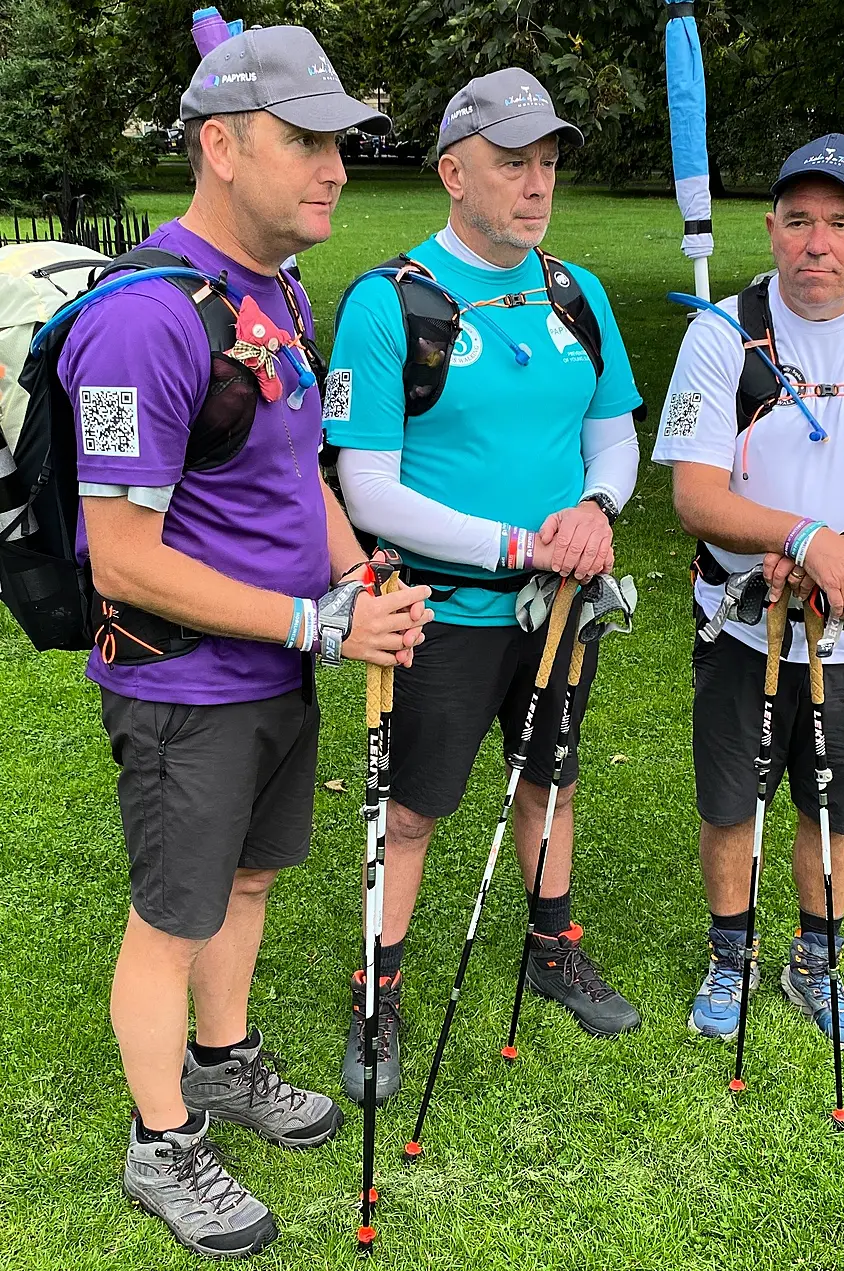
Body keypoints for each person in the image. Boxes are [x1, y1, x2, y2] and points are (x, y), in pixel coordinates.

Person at [59, 26, 431, 1260]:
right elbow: (119, 555)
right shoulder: (139, 324)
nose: (335, 167)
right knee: (171, 916)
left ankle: (222, 1064)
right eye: (306, 141)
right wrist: (312, 619)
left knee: (252, 878)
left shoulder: (275, 289)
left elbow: (294, 469)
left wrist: (352, 576)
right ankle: (161, 1141)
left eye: (340, 141)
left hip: (280, 662)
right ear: (219, 147)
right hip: (187, 684)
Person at [326, 68, 645, 1104]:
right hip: (442, 606)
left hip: (557, 605)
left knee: (548, 775)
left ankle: (551, 948)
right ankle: (378, 1001)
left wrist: (594, 508)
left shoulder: (574, 290)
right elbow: (364, 485)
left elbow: (612, 437)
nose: (536, 184)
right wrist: (518, 546)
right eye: (512, 163)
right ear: (452, 171)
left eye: (547, 163)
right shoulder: (388, 303)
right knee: (411, 808)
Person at [652, 133, 844, 1051]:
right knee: (731, 800)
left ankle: (814, 960)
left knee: (835, 804)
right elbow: (694, 495)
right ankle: (728, 954)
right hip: (746, 620)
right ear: (771, 228)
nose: (814, 242)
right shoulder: (721, 332)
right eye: (795, 221)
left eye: (838, 220)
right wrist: (799, 539)